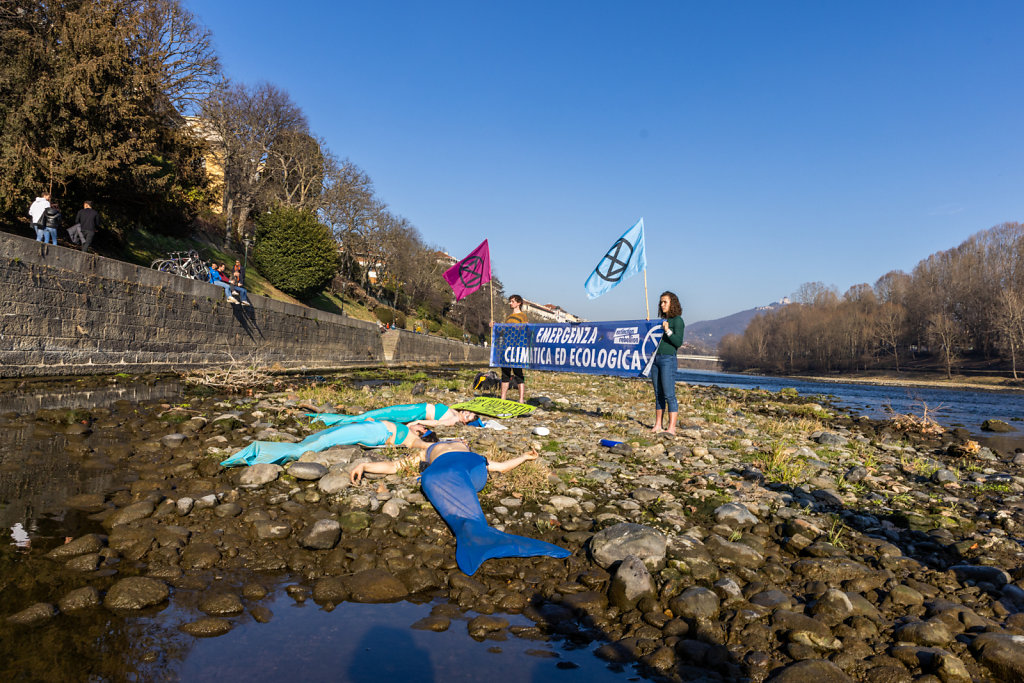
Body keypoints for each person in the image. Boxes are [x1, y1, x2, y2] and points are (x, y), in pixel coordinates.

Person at [220, 418, 436, 467]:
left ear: (423, 432)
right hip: (368, 428)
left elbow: (426, 447)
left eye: (422, 427)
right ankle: (260, 453)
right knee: (319, 438)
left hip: (371, 432)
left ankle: (258, 453)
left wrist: (450, 442)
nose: (417, 425)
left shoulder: (413, 437)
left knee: (318, 443)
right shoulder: (405, 428)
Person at [349, 438, 538, 485]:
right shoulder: (429, 450)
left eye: (465, 441)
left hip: (461, 463)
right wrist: (364, 465)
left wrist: (524, 457)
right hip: (456, 464)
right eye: (462, 439)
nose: (463, 440)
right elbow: (394, 466)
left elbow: (503, 468)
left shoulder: (470, 453)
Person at [651, 291, 685, 435]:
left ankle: (671, 428)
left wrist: (668, 330)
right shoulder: (660, 320)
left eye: (665, 302)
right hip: (655, 359)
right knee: (658, 393)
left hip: (668, 359)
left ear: (672, 303)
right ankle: (658, 424)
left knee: (669, 394)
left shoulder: (678, 321)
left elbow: (678, 342)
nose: (662, 304)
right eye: (661, 302)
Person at [310, 403, 479, 428]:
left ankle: (325, 419)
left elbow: (435, 423)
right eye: (469, 412)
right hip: (414, 408)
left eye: (469, 416)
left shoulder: (454, 419)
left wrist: (415, 423)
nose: (466, 413)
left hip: (414, 412)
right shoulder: (457, 412)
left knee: (378, 414)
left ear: (465, 422)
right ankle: (326, 419)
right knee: (376, 414)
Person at [498, 294, 528, 402]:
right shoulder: (508, 317)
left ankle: (521, 399)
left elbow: (525, 331)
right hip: (507, 348)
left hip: (517, 349)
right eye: (510, 301)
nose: (510, 303)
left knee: (518, 373)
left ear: (519, 303)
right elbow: (503, 331)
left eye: (513, 301)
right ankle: (503, 398)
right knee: (505, 374)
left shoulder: (523, 316)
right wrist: (495, 326)